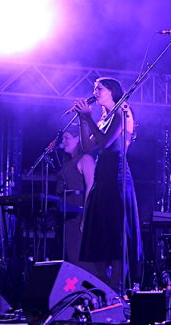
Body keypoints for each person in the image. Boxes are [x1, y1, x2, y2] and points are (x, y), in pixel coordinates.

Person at [72, 77, 143, 291]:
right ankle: (106, 284)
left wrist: (88, 118)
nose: (95, 92)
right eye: (94, 88)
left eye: (99, 89)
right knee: (98, 234)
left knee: (116, 234)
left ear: (112, 91)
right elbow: (86, 146)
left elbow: (106, 142)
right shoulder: (104, 117)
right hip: (102, 179)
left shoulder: (122, 111)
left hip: (117, 178)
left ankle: (117, 287)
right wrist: (82, 120)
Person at [56, 125, 95, 265]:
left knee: (80, 259)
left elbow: (91, 188)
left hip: (79, 216)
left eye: (67, 137)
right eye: (62, 138)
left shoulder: (86, 159)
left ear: (78, 138)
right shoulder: (67, 162)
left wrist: (86, 217)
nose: (63, 141)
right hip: (66, 217)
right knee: (69, 259)